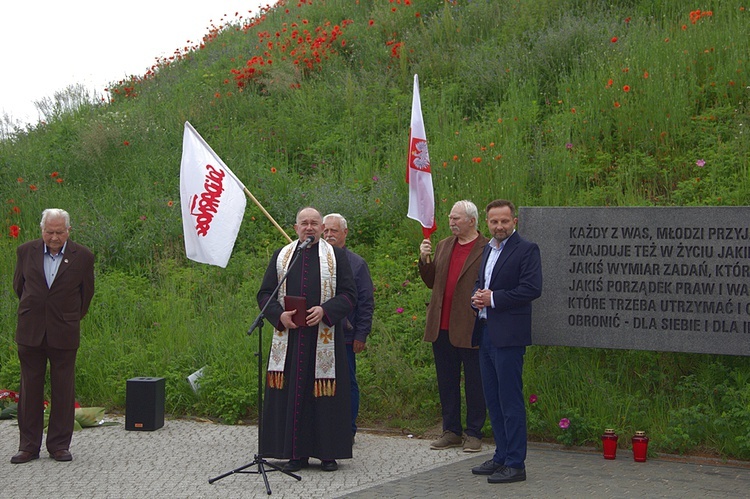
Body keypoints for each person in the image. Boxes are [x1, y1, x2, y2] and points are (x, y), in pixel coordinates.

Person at [257, 207, 357, 473]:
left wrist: (326, 310)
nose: (309, 228)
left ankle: (327, 454)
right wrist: (280, 316)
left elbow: (349, 295)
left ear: (322, 228)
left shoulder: (335, 256)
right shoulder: (283, 256)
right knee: (292, 394)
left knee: (323, 397)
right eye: (305, 223)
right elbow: (265, 294)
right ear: (296, 228)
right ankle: (295, 454)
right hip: (289, 338)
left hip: (323, 338)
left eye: (315, 223)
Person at [11, 208, 95, 464]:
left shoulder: (82, 256)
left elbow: (86, 295)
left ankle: (59, 445)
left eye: (59, 232)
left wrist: (67, 317)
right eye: (50, 232)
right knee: (29, 389)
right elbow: (19, 286)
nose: (55, 237)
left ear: (68, 231)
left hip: (64, 331)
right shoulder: (26, 251)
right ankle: (28, 446)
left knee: (63, 389)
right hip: (31, 331)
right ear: (42, 230)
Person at [470, 199, 542, 484]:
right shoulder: (487, 249)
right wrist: (477, 297)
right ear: (487, 223)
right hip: (486, 331)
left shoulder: (526, 250)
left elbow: (531, 288)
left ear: (515, 222)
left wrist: (494, 299)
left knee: (510, 400)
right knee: (493, 399)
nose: (499, 226)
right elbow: (481, 283)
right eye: (494, 222)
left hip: (509, 336)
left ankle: (516, 463)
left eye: (504, 221)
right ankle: (501, 455)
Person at [418, 200, 488, 453]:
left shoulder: (486, 248)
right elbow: (432, 282)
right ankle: (451, 430)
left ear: (472, 220)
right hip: (441, 324)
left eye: (457, 218)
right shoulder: (444, 245)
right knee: (446, 381)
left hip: (470, 325)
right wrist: (425, 260)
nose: (451, 222)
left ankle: (474, 432)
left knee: (474, 382)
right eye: (450, 218)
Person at [322, 213, 374, 444]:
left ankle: (348, 429)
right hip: (319, 334)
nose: (329, 235)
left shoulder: (356, 264)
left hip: (345, 334)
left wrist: (361, 333)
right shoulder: (315, 260)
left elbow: (365, 302)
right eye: (326, 231)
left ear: (345, 233)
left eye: (334, 231)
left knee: (347, 382)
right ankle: (324, 426)